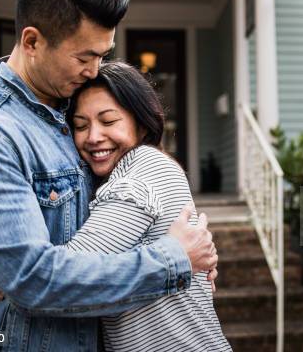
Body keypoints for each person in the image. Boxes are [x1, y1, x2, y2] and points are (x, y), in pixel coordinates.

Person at [0, 0, 217, 351]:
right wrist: (173, 260)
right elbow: (35, 280)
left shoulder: (69, 109)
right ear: (32, 41)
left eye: (102, 55)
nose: (94, 70)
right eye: (84, 57)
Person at [62, 61, 231, 351]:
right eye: (80, 125)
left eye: (108, 120)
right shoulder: (120, 175)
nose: (92, 137)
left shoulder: (144, 167)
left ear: (141, 124)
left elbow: (67, 276)